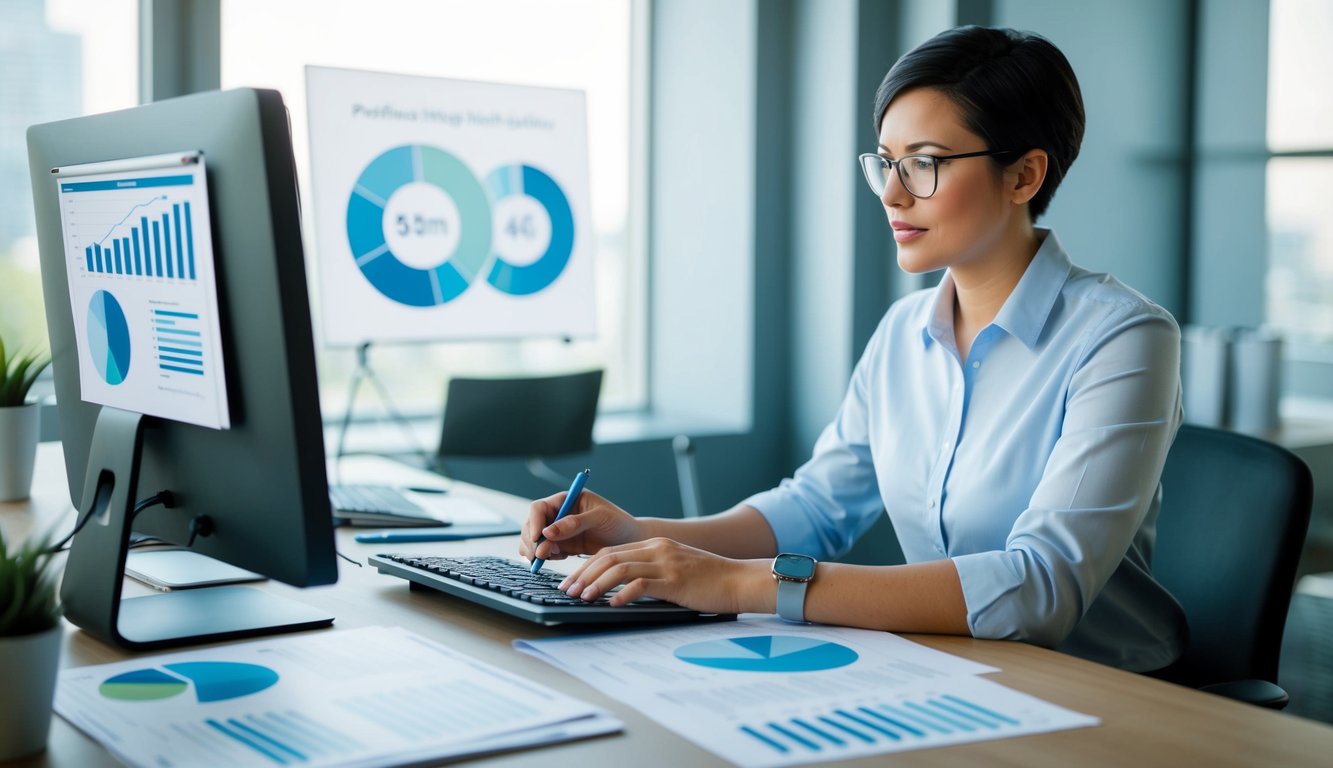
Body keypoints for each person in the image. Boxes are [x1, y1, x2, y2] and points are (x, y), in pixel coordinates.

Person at [519, 25, 1187, 672]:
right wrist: (638, 536)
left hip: (1103, 694)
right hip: (953, 672)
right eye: (887, 164)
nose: (892, 195)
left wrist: (741, 584)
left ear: (1023, 177)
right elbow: (814, 509)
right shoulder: (903, 332)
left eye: (924, 164)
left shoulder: (1122, 337)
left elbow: (1040, 587)